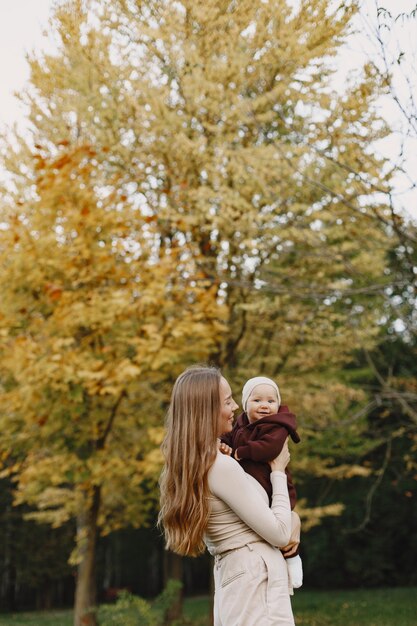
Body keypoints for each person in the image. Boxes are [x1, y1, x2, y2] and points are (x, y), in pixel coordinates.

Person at [158, 365, 297, 626]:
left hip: (239, 576)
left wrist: (293, 520)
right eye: (227, 401)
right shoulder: (220, 465)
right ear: (206, 410)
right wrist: (278, 471)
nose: (235, 406)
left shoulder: (204, 460)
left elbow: (267, 517)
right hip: (252, 577)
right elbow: (279, 533)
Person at [220, 376, 303, 591]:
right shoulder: (239, 426)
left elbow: (270, 449)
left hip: (274, 484)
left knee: (286, 530)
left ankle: (293, 561)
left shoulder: (277, 426)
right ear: (245, 404)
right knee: (270, 526)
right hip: (255, 489)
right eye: (257, 400)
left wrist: (240, 453)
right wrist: (225, 447)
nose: (265, 405)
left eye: (271, 401)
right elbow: (228, 440)